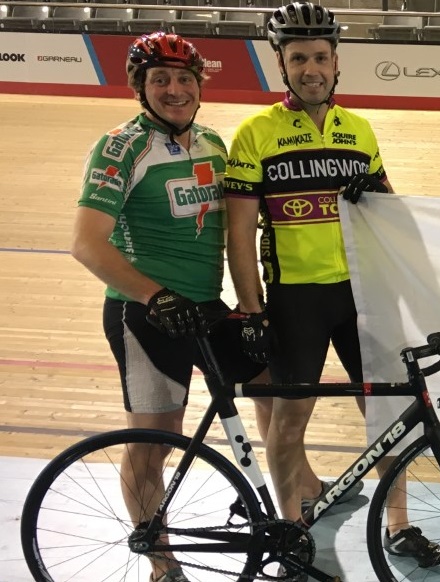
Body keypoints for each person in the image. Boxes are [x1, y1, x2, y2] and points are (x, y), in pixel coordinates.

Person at [223, 1, 440, 568]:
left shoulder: (359, 130)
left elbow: (391, 213)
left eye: (320, 57)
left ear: (336, 62)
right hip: (296, 298)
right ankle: (289, 528)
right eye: (298, 57)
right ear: (281, 64)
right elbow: (238, 234)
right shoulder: (257, 133)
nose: (311, 68)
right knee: (289, 417)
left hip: (361, 295)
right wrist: (252, 311)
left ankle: (398, 524)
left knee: (389, 412)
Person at [70, 31, 269, 582]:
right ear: (141, 88)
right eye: (160, 79)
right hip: (146, 313)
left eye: (185, 78)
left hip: (205, 305)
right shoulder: (120, 146)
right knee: (153, 440)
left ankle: (294, 499)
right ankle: (162, 562)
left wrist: (251, 310)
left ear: (199, 85)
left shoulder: (212, 143)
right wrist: (153, 294)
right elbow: (87, 244)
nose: (174, 89)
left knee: (276, 384)